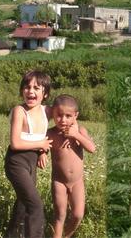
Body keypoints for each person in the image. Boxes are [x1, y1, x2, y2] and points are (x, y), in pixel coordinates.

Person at [4, 71, 54, 238]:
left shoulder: (47, 111)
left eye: (36, 88)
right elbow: (15, 143)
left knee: (23, 203)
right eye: (26, 87)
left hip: (31, 163)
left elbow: (67, 116)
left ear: (45, 93)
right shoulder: (20, 111)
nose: (30, 91)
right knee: (35, 205)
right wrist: (41, 145)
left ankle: (11, 235)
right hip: (16, 162)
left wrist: (43, 151)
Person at [46, 94, 96, 238]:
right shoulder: (51, 133)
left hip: (77, 182)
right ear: (53, 114)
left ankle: (66, 236)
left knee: (78, 215)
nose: (63, 119)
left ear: (76, 116)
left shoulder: (80, 131)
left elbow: (92, 148)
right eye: (59, 115)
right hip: (59, 181)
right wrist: (42, 153)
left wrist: (76, 135)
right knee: (60, 216)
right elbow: (42, 147)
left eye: (68, 116)